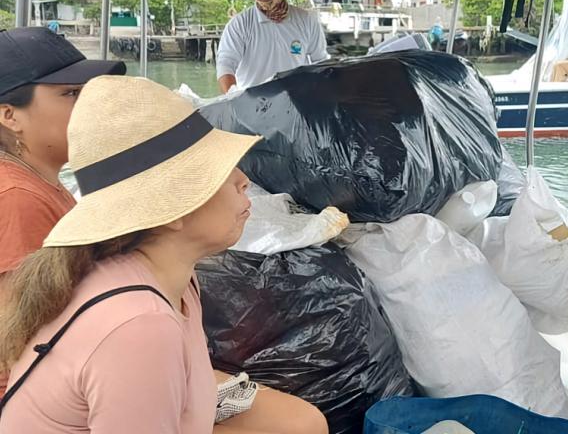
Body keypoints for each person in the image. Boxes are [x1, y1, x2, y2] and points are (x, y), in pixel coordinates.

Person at [0, 76, 328, 434]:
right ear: (173, 210)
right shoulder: (141, 326)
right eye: (218, 171)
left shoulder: (171, 277)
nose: (242, 180)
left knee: (304, 423)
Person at [0, 27, 126, 279]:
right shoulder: (18, 199)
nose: (90, 105)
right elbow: (19, 304)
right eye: (71, 93)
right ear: (10, 116)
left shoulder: (40, 182)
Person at [216, 0, 329, 93]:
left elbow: (320, 63)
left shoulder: (307, 20)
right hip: (253, 101)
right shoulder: (239, 24)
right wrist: (232, 98)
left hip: (296, 100)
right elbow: (226, 64)